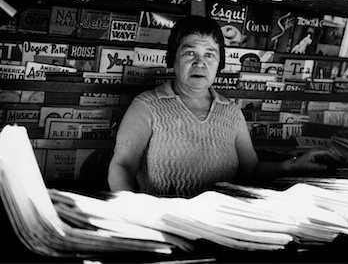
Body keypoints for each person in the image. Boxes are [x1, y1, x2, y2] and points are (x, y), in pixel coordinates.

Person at [108, 15, 336, 197]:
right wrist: (132, 210)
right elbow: (122, 166)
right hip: (165, 225)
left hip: (222, 225)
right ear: (173, 59)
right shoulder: (147, 106)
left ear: (220, 63)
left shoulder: (231, 112)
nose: (200, 62)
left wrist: (294, 165)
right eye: (190, 53)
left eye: (210, 54)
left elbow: (252, 171)